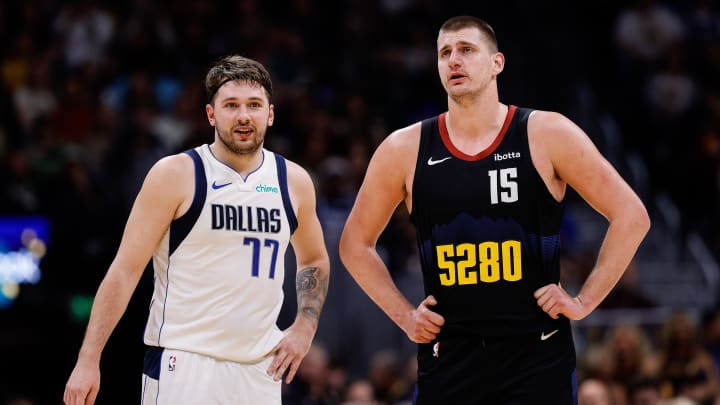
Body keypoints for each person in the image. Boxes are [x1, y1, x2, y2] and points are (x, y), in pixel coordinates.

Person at [339, 15, 650, 404]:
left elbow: (631, 216)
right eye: (444, 53)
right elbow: (355, 244)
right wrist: (405, 317)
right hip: (450, 357)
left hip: (537, 357)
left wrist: (584, 301)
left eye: (466, 50)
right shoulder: (404, 149)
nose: (454, 60)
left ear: (497, 63)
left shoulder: (546, 133)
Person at [64, 54, 331, 405]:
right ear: (211, 114)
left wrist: (305, 326)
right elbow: (125, 271)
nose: (243, 116)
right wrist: (88, 359)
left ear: (270, 113)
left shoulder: (294, 181)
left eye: (254, 105)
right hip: (185, 363)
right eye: (231, 105)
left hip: (260, 370)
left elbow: (314, 259)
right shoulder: (175, 174)